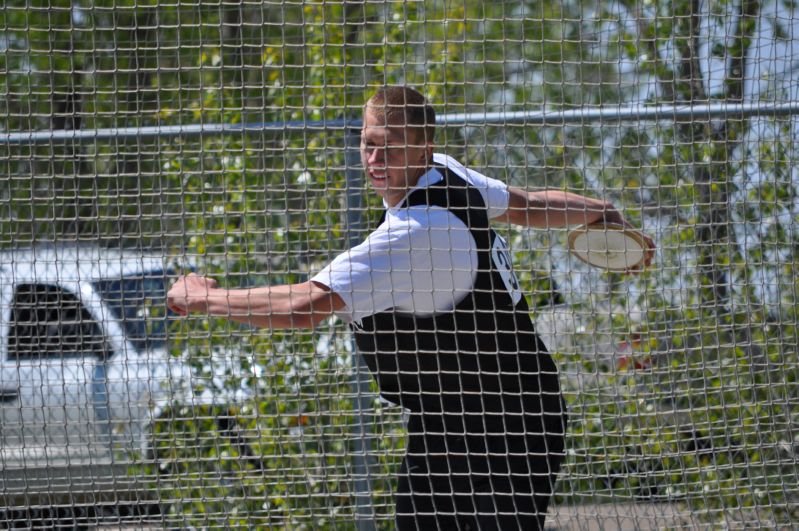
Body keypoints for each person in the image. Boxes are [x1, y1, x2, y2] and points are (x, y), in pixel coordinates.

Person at [167, 86, 654, 529]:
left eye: (391, 145)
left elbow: (304, 306)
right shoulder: (446, 172)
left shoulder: (416, 233)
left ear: (422, 146)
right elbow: (526, 204)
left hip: (509, 421)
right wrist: (598, 210)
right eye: (368, 143)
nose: (375, 159)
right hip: (453, 413)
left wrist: (204, 297)